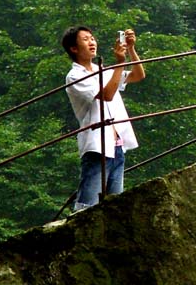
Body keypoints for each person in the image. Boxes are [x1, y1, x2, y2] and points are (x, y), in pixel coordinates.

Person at [62, 26, 146, 211]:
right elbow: (106, 94)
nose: (92, 42)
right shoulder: (75, 76)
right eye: (85, 39)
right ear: (73, 48)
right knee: (87, 204)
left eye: (92, 38)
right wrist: (119, 63)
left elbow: (138, 75)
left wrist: (131, 49)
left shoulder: (104, 71)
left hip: (117, 145)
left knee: (115, 206)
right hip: (96, 147)